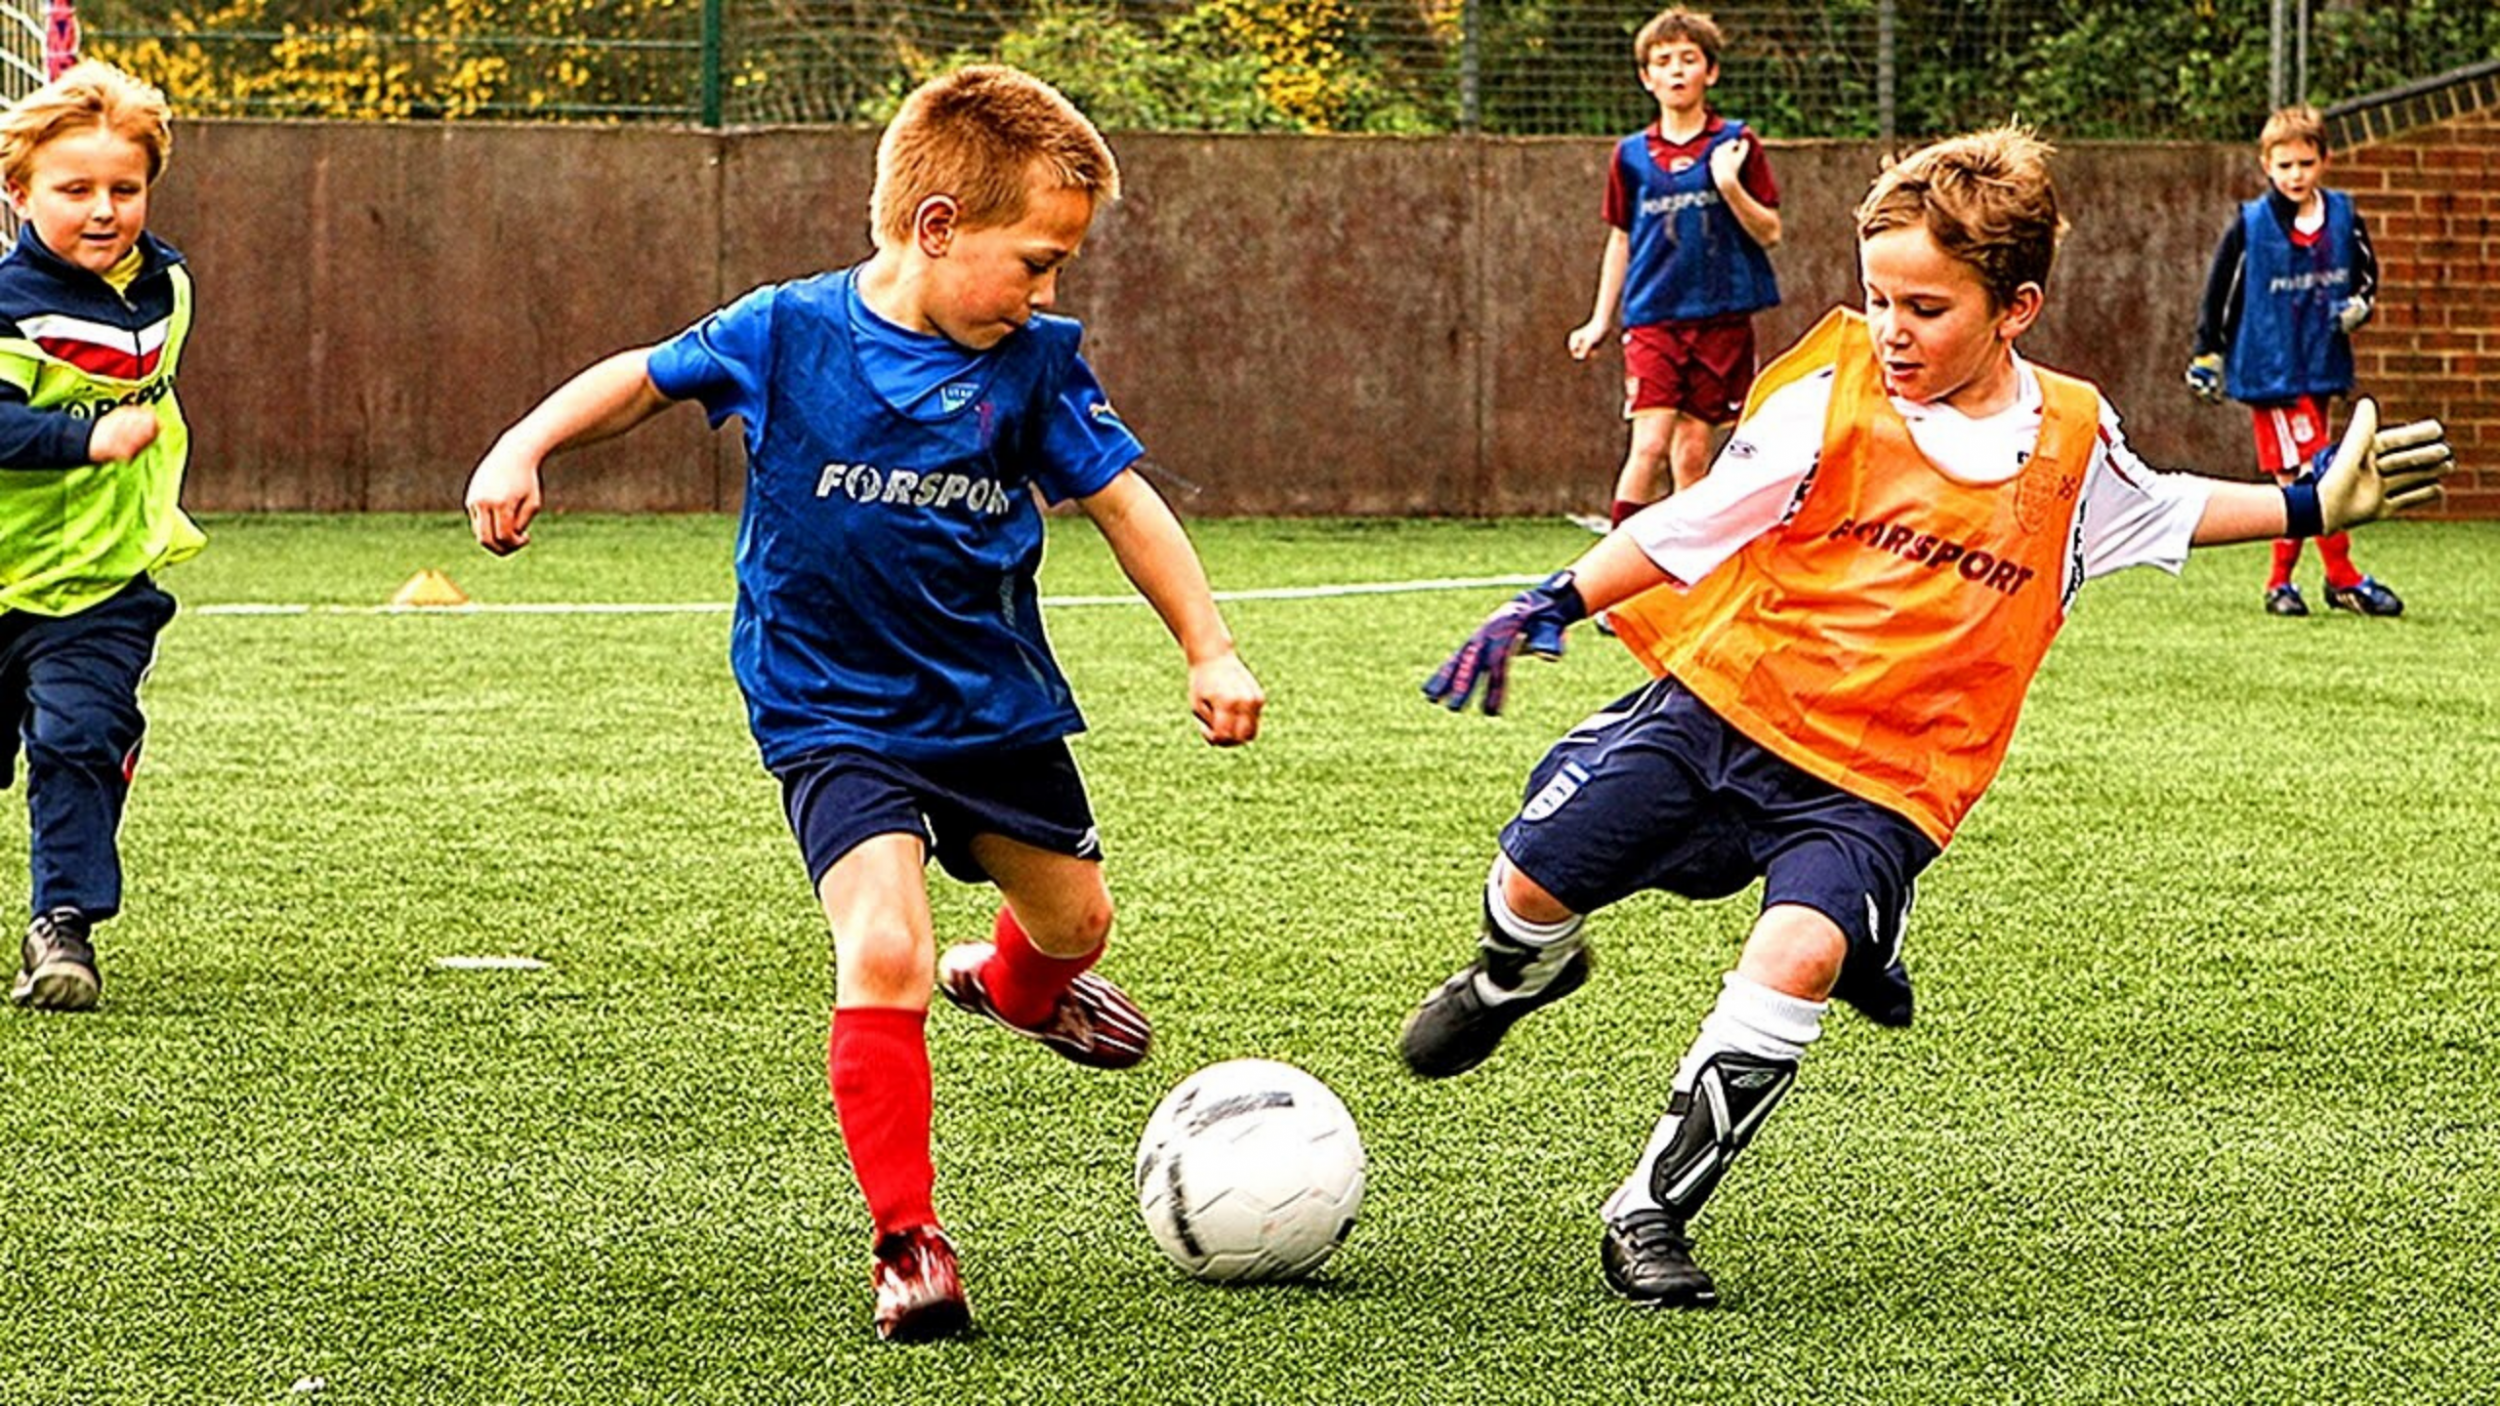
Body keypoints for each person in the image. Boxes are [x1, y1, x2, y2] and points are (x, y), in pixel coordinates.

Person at [1408, 127, 2450, 1310]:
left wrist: (2311, 503)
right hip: (1725, 709)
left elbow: (2160, 506)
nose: (1891, 329)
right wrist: (1552, 595)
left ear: (2015, 308)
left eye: (1925, 307)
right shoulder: (1827, 397)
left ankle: (1649, 1205)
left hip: (1886, 779)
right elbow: (1690, 520)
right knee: (1531, 884)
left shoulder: (2065, 439)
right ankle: (1511, 975)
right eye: (1876, 299)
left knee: (1798, 949)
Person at [463, 64, 1264, 1344]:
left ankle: (1007, 984)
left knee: (1075, 923)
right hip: (827, 706)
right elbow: (640, 376)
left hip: (990, 706)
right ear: (938, 228)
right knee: (880, 945)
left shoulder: (1037, 363)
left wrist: (1208, 647)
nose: (1049, 291)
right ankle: (909, 1241)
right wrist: (524, 445)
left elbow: (1123, 502)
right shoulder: (786, 330)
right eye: (1036, 260)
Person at [0, 61, 201, 1013]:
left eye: (124, 189)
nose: (102, 210)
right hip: (6, 574)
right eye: (73, 190)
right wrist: (86, 436)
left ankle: (63, 923)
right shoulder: (6, 308)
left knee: (82, 734)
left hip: (102, 584)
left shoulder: (167, 287)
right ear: (20, 192)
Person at [1567, 7, 1782, 529]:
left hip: (1720, 319)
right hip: (1654, 319)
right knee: (1651, 443)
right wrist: (1599, 320)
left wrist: (1728, 184)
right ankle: (1614, 579)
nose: (1677, 70)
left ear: (1710, 71)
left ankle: (1690, 579)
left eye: (1689, 59)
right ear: (1647, 77)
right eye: (1663, 61)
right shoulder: (1631, 156)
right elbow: (1621, 238)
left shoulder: (1735, 144)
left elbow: (1770, 231)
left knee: (1692, 453)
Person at [2188, 103, 2403, 618]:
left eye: (2305, 163)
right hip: (2271, 371)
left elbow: (2365, 275)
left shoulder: (2344, 216)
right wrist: (2207, 351)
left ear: (2323, 161)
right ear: (2267, 165)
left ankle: (2281, 582)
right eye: (2284, 165)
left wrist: (2359, 305)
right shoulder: (2251, 224)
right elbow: (2221, 289)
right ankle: (2343, 577)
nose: (2295, 174)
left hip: (2319, 365)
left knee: (2299, 477)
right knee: (2318, 472)